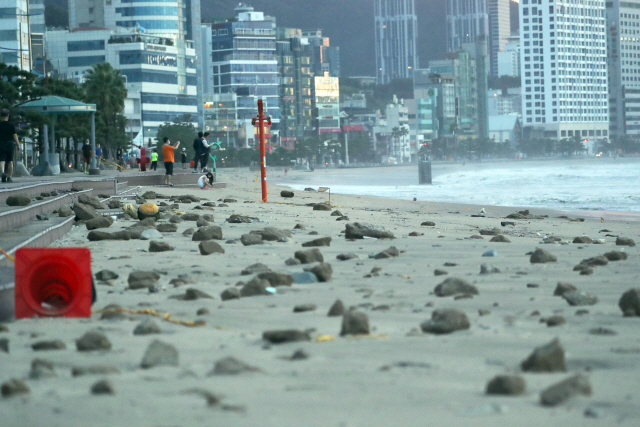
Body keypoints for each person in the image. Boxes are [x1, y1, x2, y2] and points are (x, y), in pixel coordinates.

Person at [0, 109, 20, 183]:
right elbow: (14, 135)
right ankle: (9, 177)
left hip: (1, 143)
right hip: (10, 144)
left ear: (1, 116)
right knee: (10, 161)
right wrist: (18, 144)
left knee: (1, 160)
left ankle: (2, 173)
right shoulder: (11, 125)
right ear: (8, 116)